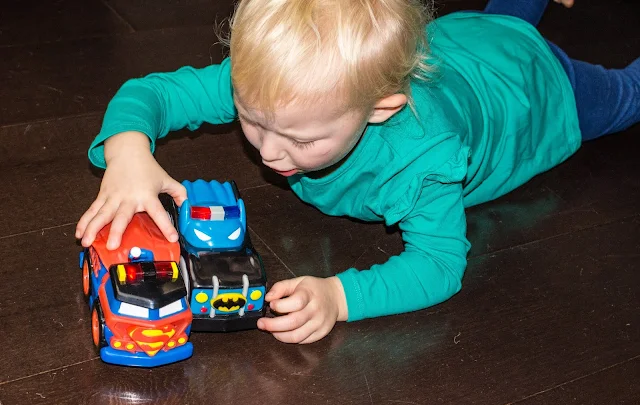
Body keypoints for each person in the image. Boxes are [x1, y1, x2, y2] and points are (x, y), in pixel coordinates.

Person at [75, 0, 639, 344]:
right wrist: (128, 153)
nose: (269, 152)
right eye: (250, 119)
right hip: (468, 41)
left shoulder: (422, 161)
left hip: (537, 93)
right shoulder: (283, 86)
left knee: (626, 97)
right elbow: (151, 93)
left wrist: (342, 298)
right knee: (503, 23)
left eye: (301, 139)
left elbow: (440, 264)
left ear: (380, 108)